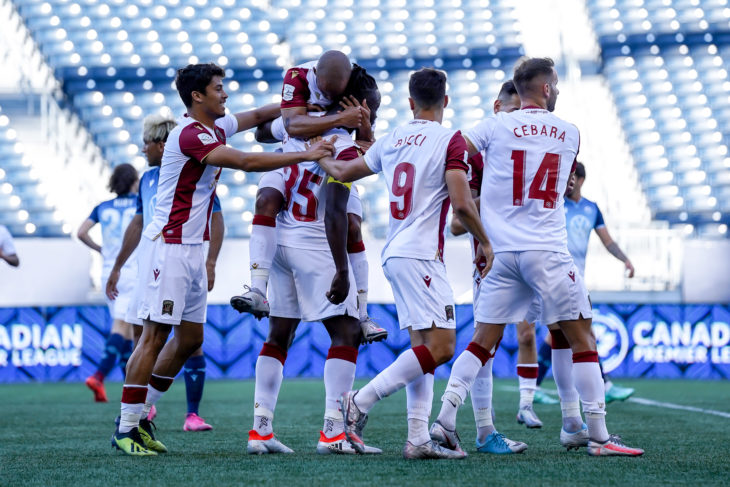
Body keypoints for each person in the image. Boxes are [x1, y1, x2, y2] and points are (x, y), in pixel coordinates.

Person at [109, 62, 336, 456]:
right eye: (218, 88)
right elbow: (246, 162)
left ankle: (141, 415)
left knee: (191, 340)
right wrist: (309, 153)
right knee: (153, 336)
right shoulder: (191, 134)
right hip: (169, 247)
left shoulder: (214, 126)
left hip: (193, 248)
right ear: (198, 96)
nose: (225, 93)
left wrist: (306, 104)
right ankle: (127, 427)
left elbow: (260, 115)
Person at [431, 57, 643, 456]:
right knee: (582, 338)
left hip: (501, 251)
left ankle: (444, 419)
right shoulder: (567, 132)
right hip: (547, 250)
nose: (558, 90)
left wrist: (465, 186)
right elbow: (561, 183)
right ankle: (596, 434)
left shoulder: (494, 125)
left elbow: (455, 147)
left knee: (481, 343)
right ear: (545, 88)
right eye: (557, 84)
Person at [317, 68, 493, 459]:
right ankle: (359, 401)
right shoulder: (452, 140)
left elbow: (345, 171)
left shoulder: (395, 137)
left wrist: (320, 152)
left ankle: (417, 438)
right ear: (445, 101)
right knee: (443, 346)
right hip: (421, 255)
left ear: (410, 102)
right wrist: (485, 241)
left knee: (422, 346)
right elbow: (462, 203)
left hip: (396, 252)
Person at [247, 113, 380, 456]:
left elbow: (265, 137)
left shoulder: (293, 133)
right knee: (347, 332)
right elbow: (346, 224)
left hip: (277, 242)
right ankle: (334, 432)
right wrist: (343, 271)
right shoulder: (345, 147)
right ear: (359, 109)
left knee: (279, 334)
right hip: (315, 243)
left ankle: (260, 430)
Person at [230, 52, 387, 343]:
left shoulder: (351, 113)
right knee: (266, 199)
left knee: (353, 226)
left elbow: (365, 145)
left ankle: (364, 315)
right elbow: (270, 131)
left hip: (328, 171)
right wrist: (316, 117)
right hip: (294, 166)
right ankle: (256, 288)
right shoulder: (299, 79)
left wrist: (362, 126)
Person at [106, 112, 225, 431]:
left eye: (146, 143)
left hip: (179, 256)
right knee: (143, 337)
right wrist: (118, 265)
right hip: (151, 261)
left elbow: (216, 217)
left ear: (161, 144)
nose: (143, 149)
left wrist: (211, 261)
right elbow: (140, 221)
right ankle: (134, 417)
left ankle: (159, 413)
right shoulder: (146, 180)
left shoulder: (194, 170)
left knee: (185, 340)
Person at [450, 80, 530, 452]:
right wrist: (495, 197)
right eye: (513, 113)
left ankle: (575, 421)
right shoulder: (477, 154)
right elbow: (455, 221)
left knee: (493, 345)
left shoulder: (526, 150)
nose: (519, 121)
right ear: (498, 108)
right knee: (485, 344)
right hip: (490, 261)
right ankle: (478, 429)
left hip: (523, 259)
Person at [530, 162, 636, 404]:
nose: (568, 181)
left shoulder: (592, 209)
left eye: (572, 176)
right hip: (554, 275)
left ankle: (535, 388)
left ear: (581, 179)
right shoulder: (555, 204)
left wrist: (626, 260)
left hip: (577, 277)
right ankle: (602, 386)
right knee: (581, 332)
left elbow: (607, 241)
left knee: (561, 333)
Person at [78, 163, 138, 403]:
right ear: (134, 181)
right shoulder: (139, 203)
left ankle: (129, 390)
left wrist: (100, 249)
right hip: (132, 270)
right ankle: (99, 376)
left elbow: (82, 232)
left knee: (128, 332)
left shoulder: (102, 207)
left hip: (109, 272)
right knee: (124, 327)